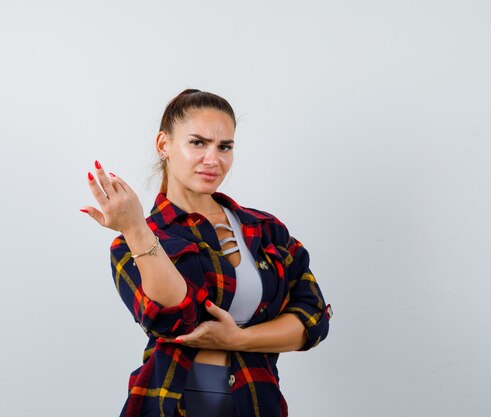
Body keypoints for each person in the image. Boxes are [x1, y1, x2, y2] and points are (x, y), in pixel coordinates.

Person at [80, 89, 332, 417]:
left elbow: (313, 320)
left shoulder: (267, 229)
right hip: (170, 403)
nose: (213, 159)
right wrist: (137, 230)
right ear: (164, 145)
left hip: (256, 402)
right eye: (198, 143)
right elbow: (172, 320)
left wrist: (236, 339)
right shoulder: (132, 243)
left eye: (224, 146)